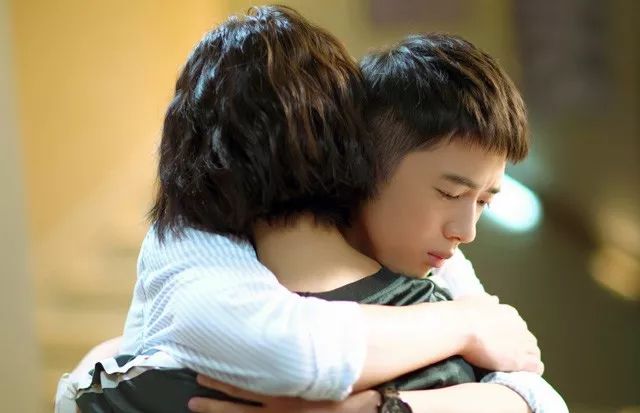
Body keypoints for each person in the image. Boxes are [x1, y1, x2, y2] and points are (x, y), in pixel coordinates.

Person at [55, 5, 567, 413]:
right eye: (451, 193)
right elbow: (290, 351)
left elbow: (538, 395)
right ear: (362, 162)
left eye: (485, 200)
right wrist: (467, 324)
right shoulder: (197, 238)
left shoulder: (437, 264)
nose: (466, 230)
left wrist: (389, 407)